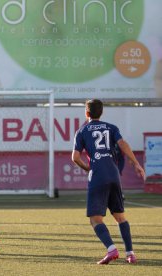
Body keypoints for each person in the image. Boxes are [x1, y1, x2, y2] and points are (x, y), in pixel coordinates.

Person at [72, 99, 145, 265]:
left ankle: (111, 249)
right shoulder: (111, 127)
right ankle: (130, 253)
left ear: (87, 113)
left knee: (95, 219)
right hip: (114, 175)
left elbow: (75, 157)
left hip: (98, 175)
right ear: (101, 113)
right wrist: (136, 163)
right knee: (120, 216)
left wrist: (88, 169)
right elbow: (123, 144)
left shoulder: (82, 131)